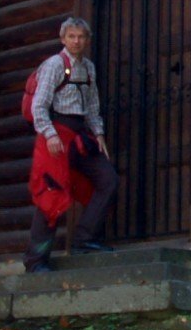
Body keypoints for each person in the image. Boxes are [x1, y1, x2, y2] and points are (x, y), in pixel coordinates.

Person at [24, 17, 121, 273]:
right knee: (51, 195)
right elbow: (39, 105)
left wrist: (98, 133)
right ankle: (35, 262)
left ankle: (84, 240)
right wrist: (50, 134)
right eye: (71, 37)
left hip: (80, 137)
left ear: (87, 40)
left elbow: (91, 106)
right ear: (63, 39)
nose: (76, 41)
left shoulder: (88, 68)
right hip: (55, 137)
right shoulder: (54, 65)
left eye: (81, 37)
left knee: (107, 180)